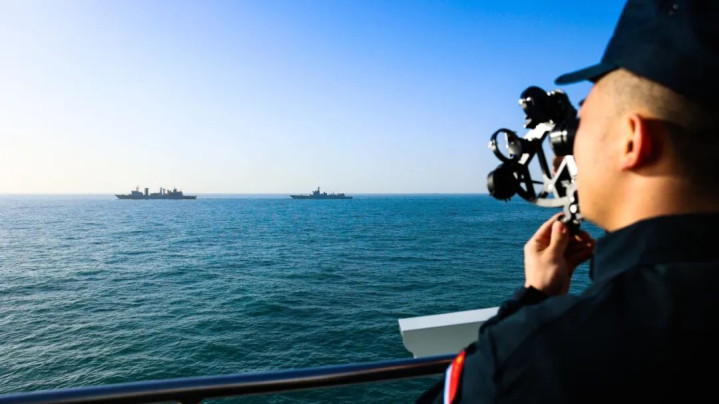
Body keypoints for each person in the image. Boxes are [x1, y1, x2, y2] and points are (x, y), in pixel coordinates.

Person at [418, 0, 719, 402]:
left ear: (631, 141)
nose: (569, 142)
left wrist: (532, 301)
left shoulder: (533, 361)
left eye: (583, 117)